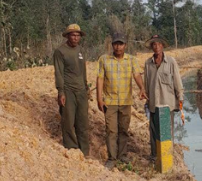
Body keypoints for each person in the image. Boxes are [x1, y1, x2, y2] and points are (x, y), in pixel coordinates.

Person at [96, 33, 147, 168]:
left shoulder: (131, 60)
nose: (118, 47)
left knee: (123, 130)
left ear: (125, 45)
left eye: (121, 44)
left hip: (125, 101)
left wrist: (142, 87)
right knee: (111, 130)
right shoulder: (104, 59)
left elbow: (136, 74)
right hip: (110, 101)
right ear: (112, 45)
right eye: (116, 44)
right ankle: (112, 158)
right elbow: (100, 79)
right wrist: (99, 99)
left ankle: (122, 155)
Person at [142, 34, 184, 162]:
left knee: (167, 131)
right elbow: (146, 84)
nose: (156, 47)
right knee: (154, 132)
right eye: (154, 44)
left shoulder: (171, 61)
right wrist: (147, 101)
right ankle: (155, 156)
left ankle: (166, 157)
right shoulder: (148, 64)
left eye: (159, 44)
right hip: (154, 103)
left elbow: (177, 81)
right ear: (151, 47)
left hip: (167, 104)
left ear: (162, 46)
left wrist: (180, 97)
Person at [53, 23, 90, 156]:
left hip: (81, 91)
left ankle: (85, 152)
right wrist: (61, 91)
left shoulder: (80, 50)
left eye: (77, 35)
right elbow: (59, 72)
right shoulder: (60, 51)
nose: (75, 38)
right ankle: (72, 149)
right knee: (68, 122)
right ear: (68, 36)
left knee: (83, 122)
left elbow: (83, 70)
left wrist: (86, 87)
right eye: (73, 35)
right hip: (68, 91)